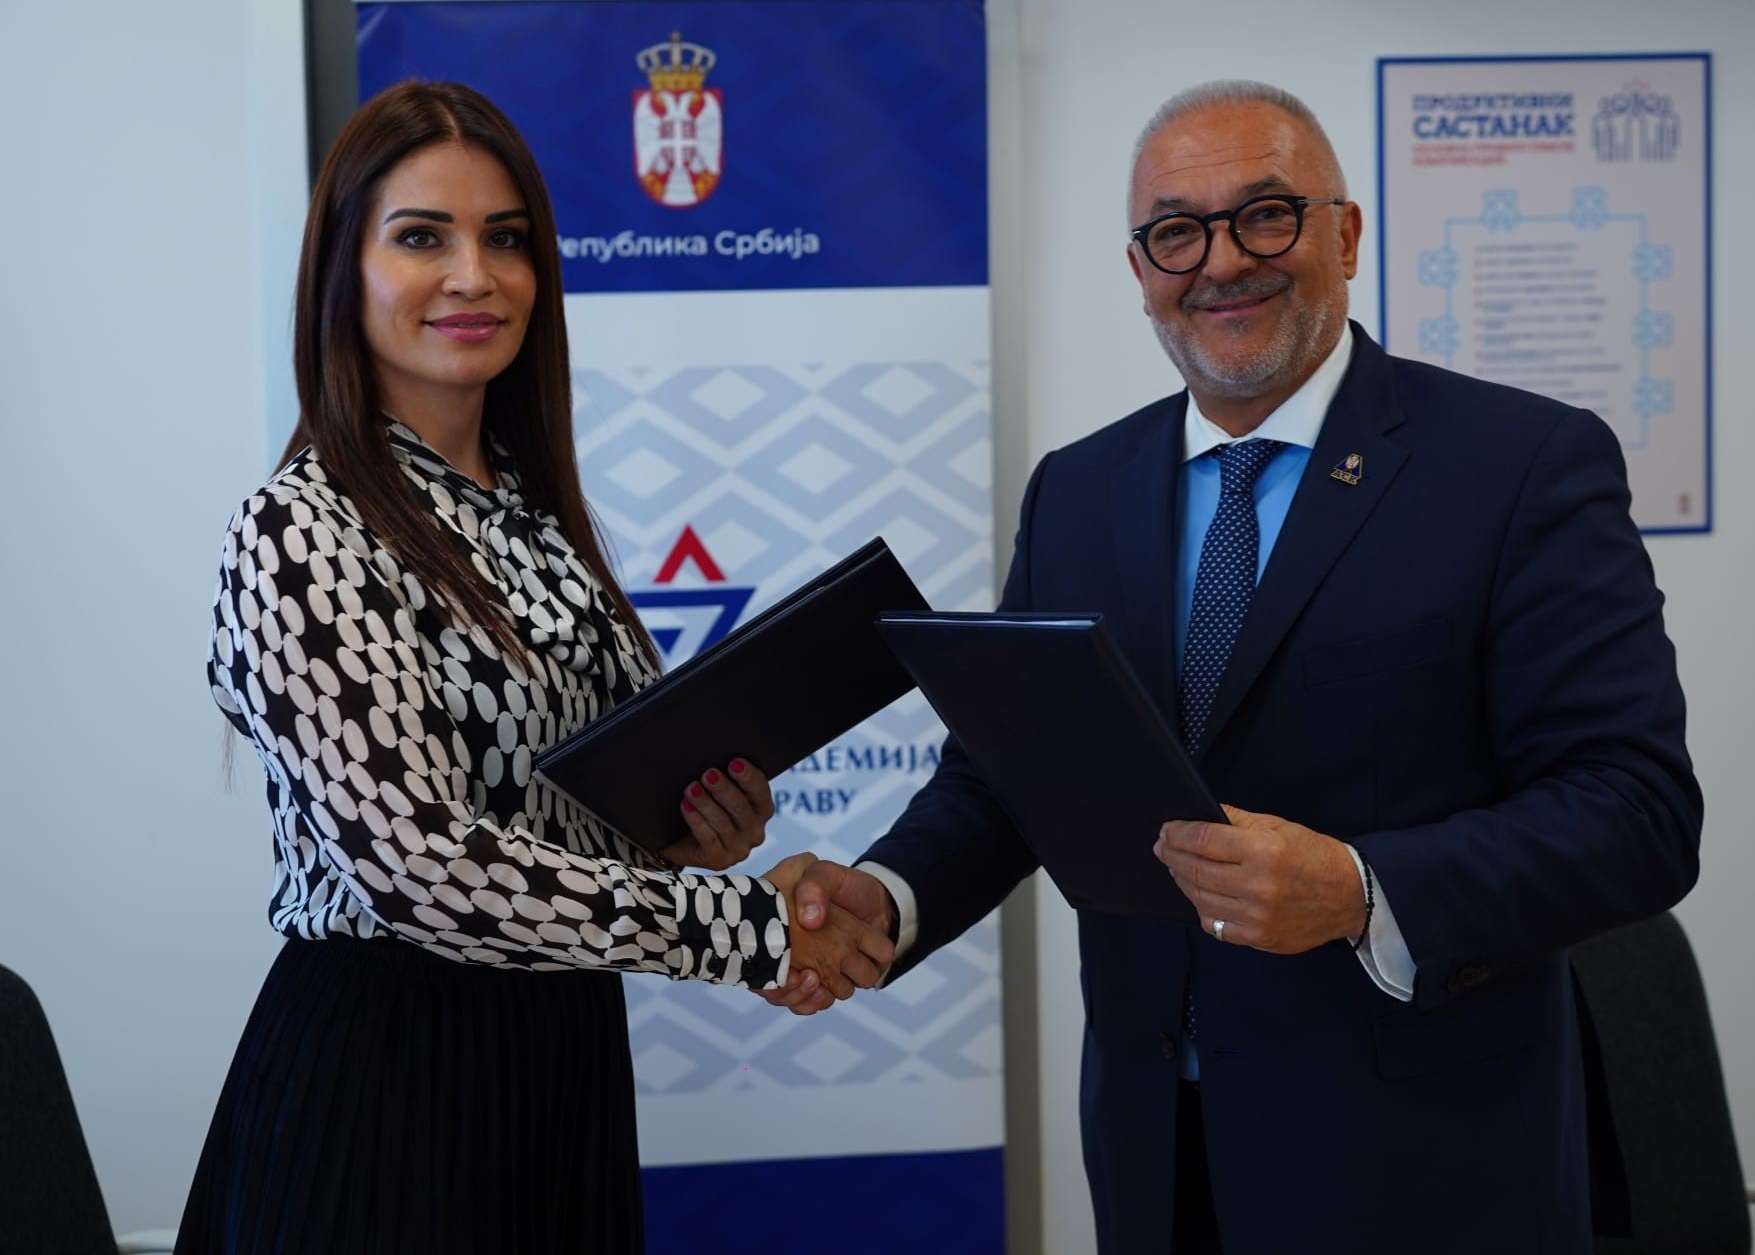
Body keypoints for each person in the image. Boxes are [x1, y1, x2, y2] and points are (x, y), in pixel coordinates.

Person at [768, 81, 1703, 1253]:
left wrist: (1362, 888)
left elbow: (1636, 811)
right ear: (1140, 269)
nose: (1221, 262)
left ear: (1345, 235)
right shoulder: (1079, 489)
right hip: (1160, 1150)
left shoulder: (1520, 465)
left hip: (1428, 1162)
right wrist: (890, 894)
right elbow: (1010, 775)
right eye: (1178, 232)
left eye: (1265, 215)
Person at [178, 79, 893, 1253]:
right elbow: (420, 867)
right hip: (389, 1083)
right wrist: (755, 928)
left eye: (505, 240)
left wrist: (681, 833)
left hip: (559, 1063)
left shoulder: (535, 515)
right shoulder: (302, 528)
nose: (475, 275)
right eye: (423, 238)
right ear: (344, 272)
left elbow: (563, 820)